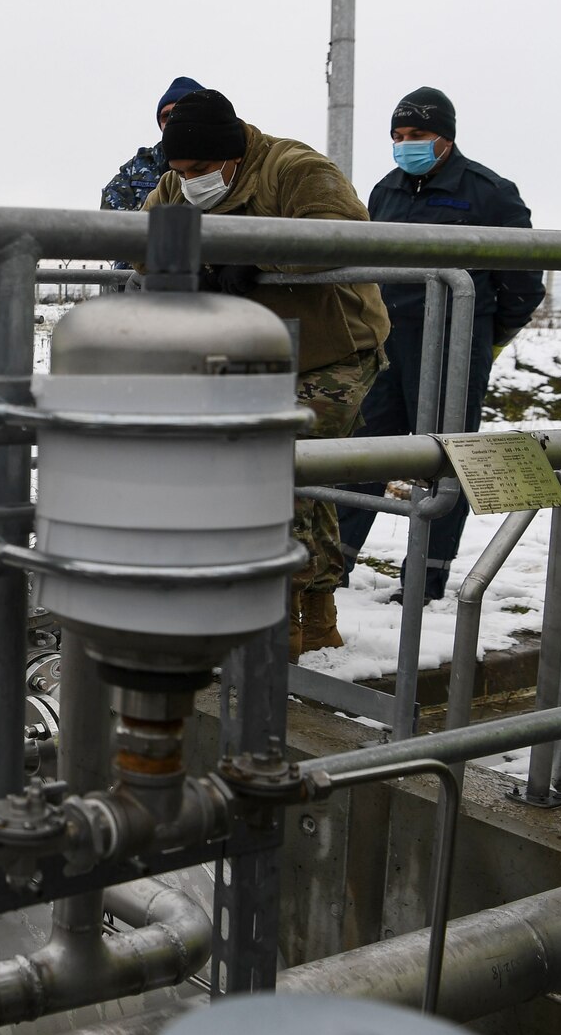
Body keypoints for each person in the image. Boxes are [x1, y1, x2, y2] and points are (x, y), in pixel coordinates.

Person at [144, 89, 389, 659]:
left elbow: (341, 231)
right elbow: (140, 241)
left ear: (231, 156)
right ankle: (318, 617)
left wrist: (257, 256)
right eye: (179, 171)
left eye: (201, 169)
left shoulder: (296, 168)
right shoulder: (175, 185)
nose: (189, 182)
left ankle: (278, 626)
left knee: (277, 468)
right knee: (298, 479)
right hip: (255, 353)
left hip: (334, 351)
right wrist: (190, 267)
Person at [336, 88, 543, 604]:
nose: (406, 145)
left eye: (418, 136)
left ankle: (424, 580)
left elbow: (523, 281)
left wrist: (482, 335)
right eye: (398, 137)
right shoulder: (385, 191)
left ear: (445, 138)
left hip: (454, 343)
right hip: (388, 343)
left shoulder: (489, 193)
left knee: (445, 460)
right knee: (365, 453)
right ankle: (331, 568)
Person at [101, 75, 204, 211]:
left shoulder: (223, 161)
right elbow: (113, 220)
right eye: (166, 116)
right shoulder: (136, 168)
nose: (173, 120)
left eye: (180, 113)